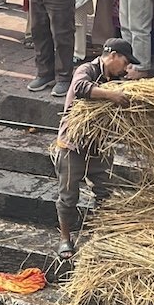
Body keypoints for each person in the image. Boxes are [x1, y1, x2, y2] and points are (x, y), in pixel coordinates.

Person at [52, 39, 139, 259]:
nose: (126, 68)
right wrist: (112, 95)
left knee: (104, 192)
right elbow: (81, 88)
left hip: (99, 145)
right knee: (68, 197)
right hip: (73, 144)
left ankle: (101, 235)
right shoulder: (87, 70)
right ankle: (65, 238)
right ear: (113, 56)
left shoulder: (116, 80)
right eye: (125, 62)